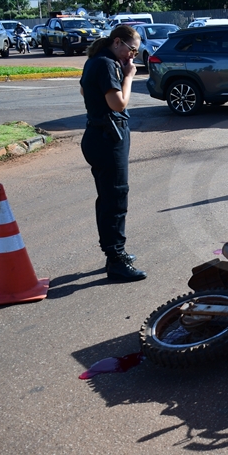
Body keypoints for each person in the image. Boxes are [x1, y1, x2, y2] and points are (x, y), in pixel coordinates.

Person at [79, 25, 147, 282]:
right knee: (115, 199)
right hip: (107, 137)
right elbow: (118, 103)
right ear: (117, 42)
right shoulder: (107, 64)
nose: (132, 57)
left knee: (109, 197)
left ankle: (114, 251)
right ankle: (116, 261)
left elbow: (85, 91)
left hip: (99, 134)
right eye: (131, 51)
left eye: (135, 53)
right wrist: (128, 76)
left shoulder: (94, 61)